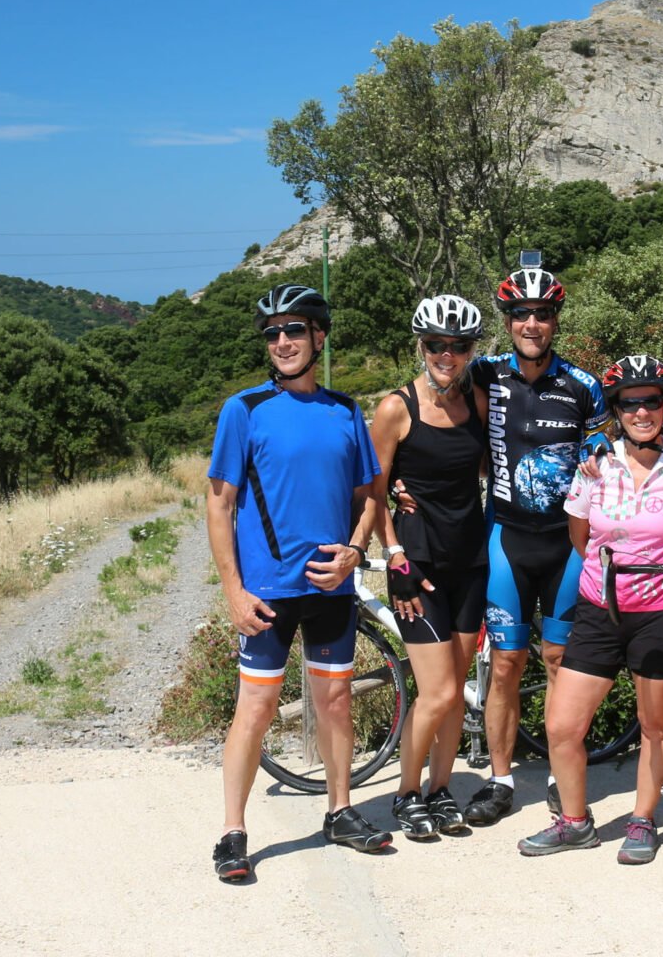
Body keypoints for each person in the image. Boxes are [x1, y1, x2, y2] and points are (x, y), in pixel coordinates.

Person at [207, 283, 391, 883]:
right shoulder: (246, 409)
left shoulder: (344, 411)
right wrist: (233, 591)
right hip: (266, 593)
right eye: (272, 333)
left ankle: (340, 811)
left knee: (336, 703)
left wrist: (355, 552)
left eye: (294, 330)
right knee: (255, 709)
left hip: (331, 589)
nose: (282, 341)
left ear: (319, 336)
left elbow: (369, 495)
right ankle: (233, 832)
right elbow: (218, 504)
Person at [516, 355, 663, 863]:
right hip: (600, 609)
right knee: (561, 726)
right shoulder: (594, 467)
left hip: (660, 612)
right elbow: (580, 537)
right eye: (630, 403)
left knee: (655, 726)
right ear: (616, 410)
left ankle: (644, 820)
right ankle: (575, 822)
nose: (642, 411)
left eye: (652, 401)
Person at [461, 264, 607, 827]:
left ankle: (557, 772)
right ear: (507, 320)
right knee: (505, 664)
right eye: (520, 312)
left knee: (559, 661)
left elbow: (604, 461)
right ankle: (499, 780)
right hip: (506, 538)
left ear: (554, 321)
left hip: (568, 546)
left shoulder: (583, 386)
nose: (531, 322)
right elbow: (442, 425)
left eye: (542, 313)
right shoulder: (484, 375)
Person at [369, 295, 490, 841]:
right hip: (417, 567)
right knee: (437, 691)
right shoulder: (396, 408)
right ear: (421, 347)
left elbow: (491, 468)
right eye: (437, 345)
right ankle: (405, 793)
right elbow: (371, 492)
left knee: (457, 686)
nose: (448, 354)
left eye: (458, 346)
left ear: (470, 351)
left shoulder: (477, 403)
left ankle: (441, 791)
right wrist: (393, 554)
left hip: (471, 560)